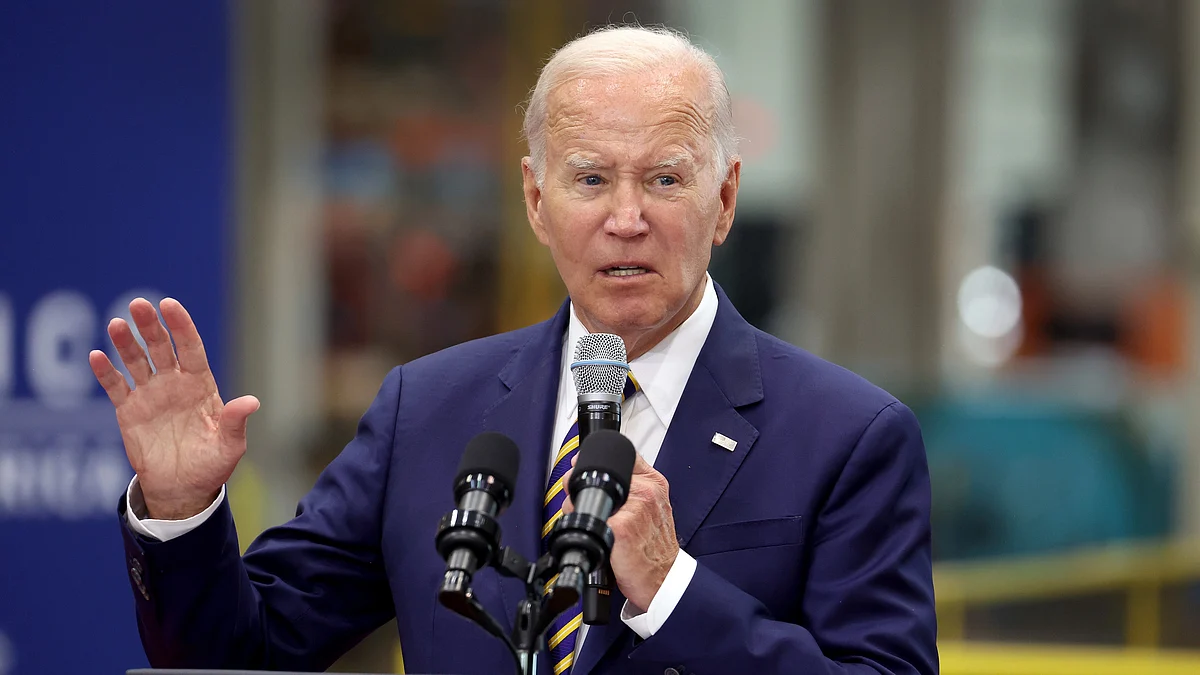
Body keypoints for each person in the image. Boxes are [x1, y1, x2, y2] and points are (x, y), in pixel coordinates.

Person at [91, 26, 937, 675]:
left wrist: (673, 591)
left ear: (725, 199)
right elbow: (243, 652)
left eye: (665, 179)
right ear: (536, 200)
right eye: (591, 178)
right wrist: (181, 510)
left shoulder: (849, 436)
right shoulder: (426, 411)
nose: (627, 218)